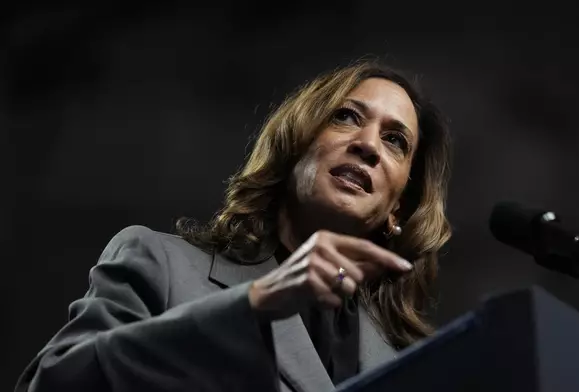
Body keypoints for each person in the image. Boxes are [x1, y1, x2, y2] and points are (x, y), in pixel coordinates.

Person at [15, 60, 452, 392]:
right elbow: (53, 381)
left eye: (396, 141)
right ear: (294, 146)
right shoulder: (159, 263)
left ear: (398, 208)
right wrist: (254, 305)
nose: (368, 144)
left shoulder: (410, 366)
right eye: (347, 116)